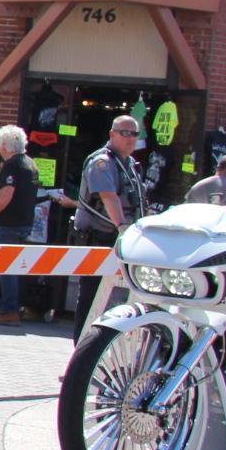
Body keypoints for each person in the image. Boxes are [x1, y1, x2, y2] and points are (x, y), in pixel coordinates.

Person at [72, 114, 146, 334]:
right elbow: (108, 196)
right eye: (125, 133)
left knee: (116, 299)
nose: (131, 138)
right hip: (100, 237)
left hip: (123, 240)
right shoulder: (102, 163)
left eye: (135, 134)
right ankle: (82, 345)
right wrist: (122, 227)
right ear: (112, 134)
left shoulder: (130, 164)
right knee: (92, 297)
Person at [0, 125, 39, 325]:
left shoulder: (12, 165)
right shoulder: (31, 164)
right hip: (25, 223)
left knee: (4, 267)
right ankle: (13, 307)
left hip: (9, 225)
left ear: (5, 146)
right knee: (15, 268)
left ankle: (8, 310)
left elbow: (6, 194)